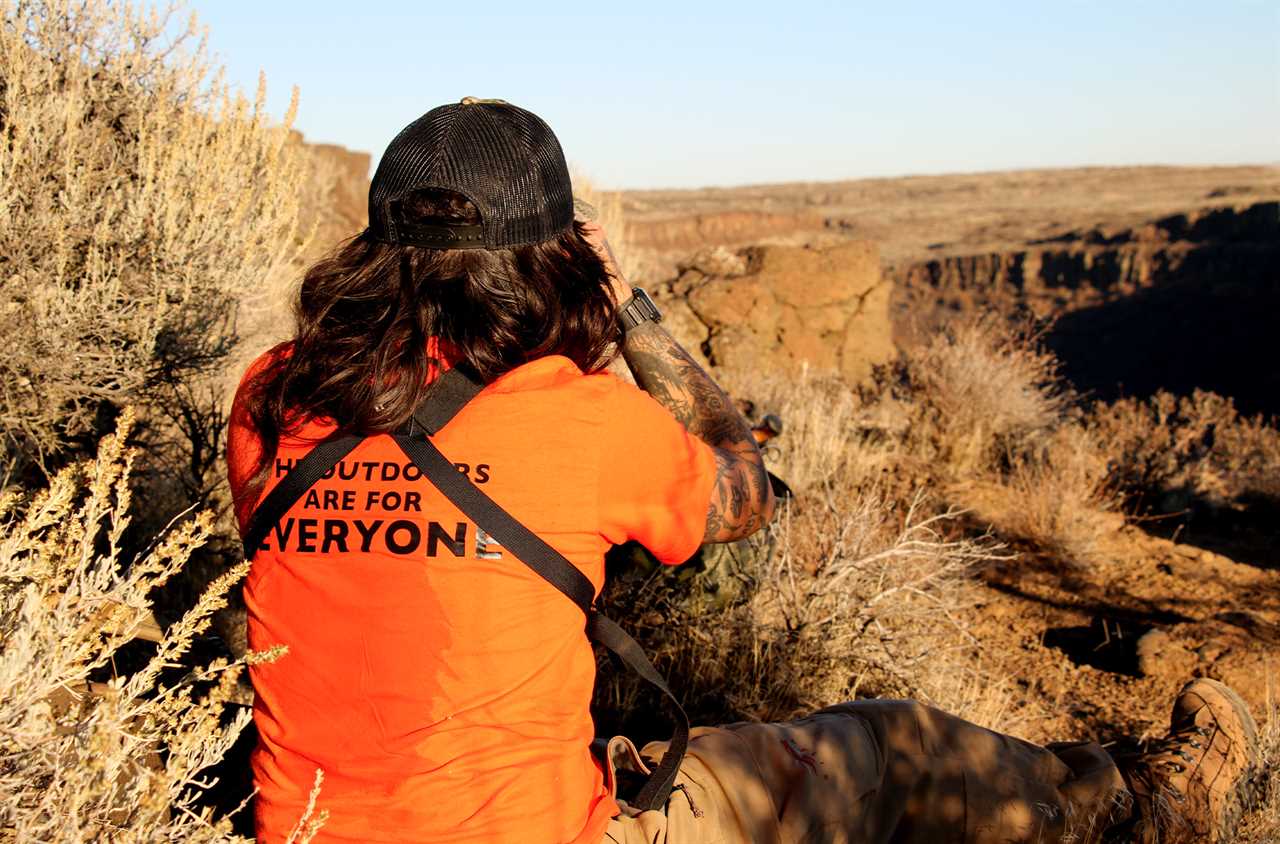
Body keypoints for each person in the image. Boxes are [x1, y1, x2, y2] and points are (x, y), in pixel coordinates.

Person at [226, 98, 1261, 844]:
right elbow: (743, 488)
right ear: (555, 256)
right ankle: (1136, 802)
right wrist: (628, 311)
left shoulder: (267, 398)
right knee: (886, 742)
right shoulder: (577, 417)